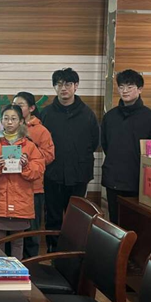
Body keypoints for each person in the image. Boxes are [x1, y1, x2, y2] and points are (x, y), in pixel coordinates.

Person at [40, 68, 100, 252]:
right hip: (52, 173)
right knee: (53, 215)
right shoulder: (46, 113)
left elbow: (94, 141)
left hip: (79, 173)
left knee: (77, 216)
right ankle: (53, 250)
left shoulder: (87, 114)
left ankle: (73, 253)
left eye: (68, 84)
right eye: (59, 84)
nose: (63, 88)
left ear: (76, 86)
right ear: (54, 87)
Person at [102, 69, 151, 224]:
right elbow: (105, 144)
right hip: (113, 179)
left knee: (137, 224)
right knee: (114, 223)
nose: (124, 91)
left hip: (139, 181)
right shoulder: (109, 117)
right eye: (121, 87)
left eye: (130, 87)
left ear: (140, 89)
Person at [0, 104, 45, 259]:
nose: (9, 122)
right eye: (6, 118)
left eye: (13, 119)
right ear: (1, 121)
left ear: (21, 121)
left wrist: (26, 165)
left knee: (18, 241)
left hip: (21, 202)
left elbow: (38, 170)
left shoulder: (29, 145)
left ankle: (17, 271)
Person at [13, 91, 55, 258]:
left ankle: (31, 265)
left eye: (20, 105)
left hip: (33, 188)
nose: (16, 108)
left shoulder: (41, 130)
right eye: (14, 105)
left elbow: (49, 156)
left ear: (31, 108)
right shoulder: (8, 129)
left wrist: (30, 151)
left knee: (31, 231)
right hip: (12, 187)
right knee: (13, 233)